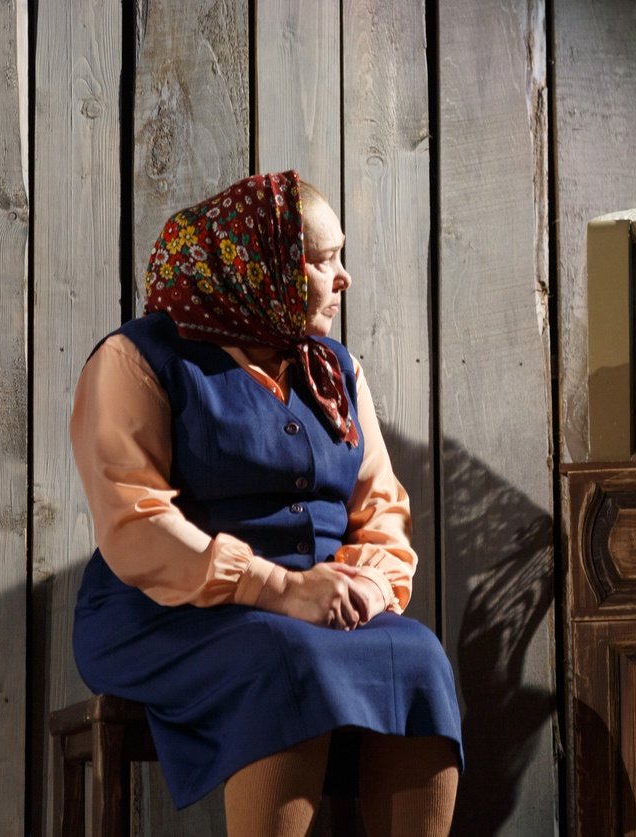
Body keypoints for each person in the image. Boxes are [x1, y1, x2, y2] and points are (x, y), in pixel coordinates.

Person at [70, 170, 462, 837]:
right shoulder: (139, 358)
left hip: (316, 611)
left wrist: (366, 587)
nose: (343, 278)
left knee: (419, 655)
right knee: (285, 659)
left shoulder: (335, 370)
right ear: (257, 267)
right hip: (164, 613)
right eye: (322, 260)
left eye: (340, 257)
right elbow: (137, 522)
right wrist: (279, 588)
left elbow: (381, 511)